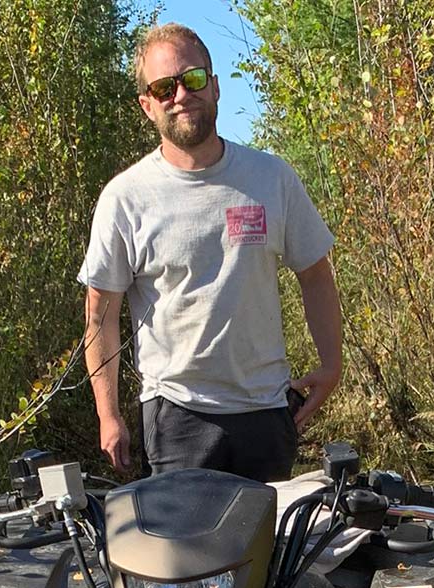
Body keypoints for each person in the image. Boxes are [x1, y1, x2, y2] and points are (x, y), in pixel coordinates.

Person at [78, 23, 342, 483]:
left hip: (266, 411)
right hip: (176, 418)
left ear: (215, 85)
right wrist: (109, 413)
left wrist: (331, 365)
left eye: (193, 79)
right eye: (163, 87)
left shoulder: (271, 178)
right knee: (186, 555)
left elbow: (316, 274)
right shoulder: (126, 197)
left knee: (271, 553)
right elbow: (101, 312)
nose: (181, 94)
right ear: (147, 105)